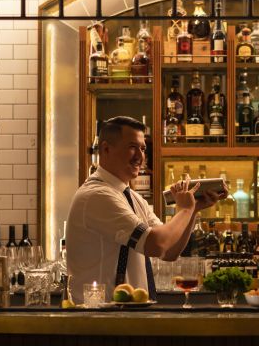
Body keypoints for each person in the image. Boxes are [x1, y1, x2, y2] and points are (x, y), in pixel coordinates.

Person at [66, 116, 226, 302]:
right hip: (100, 319)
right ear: (106, 149)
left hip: (126, 314)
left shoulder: (132, 197)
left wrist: (194, 209)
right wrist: (184, 210)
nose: (140, 156)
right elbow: (156, 245)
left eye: (143, 148)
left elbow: (170, 251)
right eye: (132, 147)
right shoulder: (97, 196)